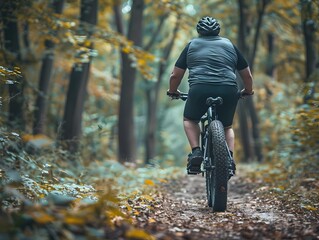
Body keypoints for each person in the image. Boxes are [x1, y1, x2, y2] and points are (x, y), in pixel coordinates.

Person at [167, 16, 254, 176]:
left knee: (190, 119)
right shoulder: (230, 45)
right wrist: (247, 91)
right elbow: (247, 76)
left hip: (200, 89)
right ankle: (229, 158)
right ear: (218, 31)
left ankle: (196, 152)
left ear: (199, 32)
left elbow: (175, 76)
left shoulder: (191, 45)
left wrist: (173, 91)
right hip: (228, 89)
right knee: (227, 126)